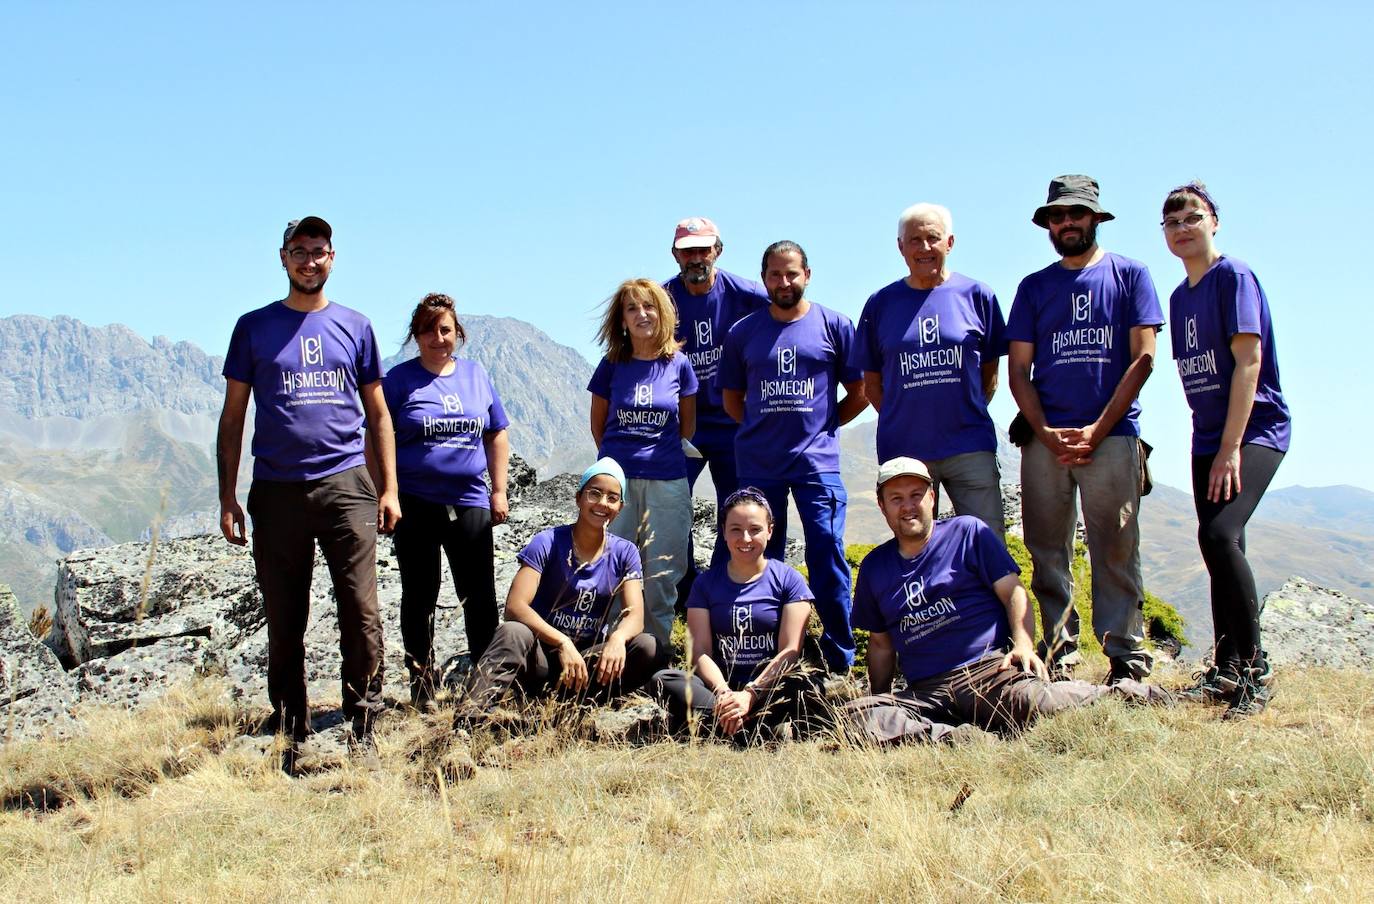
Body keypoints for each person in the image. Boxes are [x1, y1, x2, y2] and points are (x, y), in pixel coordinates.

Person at [217, 216, 400, 753]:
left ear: (332, 257)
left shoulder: (356, 326)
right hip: (278, 491)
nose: (309, 260)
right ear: (283, 258)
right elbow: (233, 418)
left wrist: (388, 489)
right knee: (284, 614)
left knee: (360, 610)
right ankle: (290, 727)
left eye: (318, 251)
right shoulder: (253, 328)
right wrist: (228, 497)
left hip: (346, 485)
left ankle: (363, 720)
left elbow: (379, 415)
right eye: (299, 251)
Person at [843, 458, 1170, 745]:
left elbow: (1013, 591)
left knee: (1045, 703)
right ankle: (961, 739)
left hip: (986, 672)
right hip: (927, 690)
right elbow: (881, 644)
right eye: (896, 499)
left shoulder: (967, 533)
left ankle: (1137, 696)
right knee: (857, 716)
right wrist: (880, 696)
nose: (908, 506)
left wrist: (1024, 646)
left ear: (932, 497)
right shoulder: (875, 566)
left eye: (916, 495)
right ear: (882, 505)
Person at [1006, 175, 1164, 682]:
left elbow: (1143, 359)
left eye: (1076, 213)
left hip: (1113, 437)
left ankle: (1127, 658)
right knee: (1045, 547)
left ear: (1095, 217)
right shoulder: (1034, 288)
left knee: (1115, 545)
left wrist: (1097, 429)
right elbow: (1017, 372)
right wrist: (1046, 431)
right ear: (1047, 224)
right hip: (1045, 441)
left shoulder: (1131, 275)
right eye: (1057, 216)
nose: (1067, 222)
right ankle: (1060, 652)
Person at [1162, 181, 1291, 719]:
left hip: (1254, 431)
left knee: (1218, 534)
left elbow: (1249, 362)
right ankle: (1226, 667)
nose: (1181, 228)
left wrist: (1232, 447)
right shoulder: (1179, 297)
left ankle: (1255, 672)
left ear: (1214, 220)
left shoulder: (1232, 277)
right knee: (1219, 543)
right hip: (1207, 436)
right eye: (1171, 222)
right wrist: (1212, 444)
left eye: (1192, 217)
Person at [719, 240, 867, 673]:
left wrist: (826, 425)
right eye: (774, 275)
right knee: (762, 556)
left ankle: (839, 655)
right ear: (763, 279)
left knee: (826, 550)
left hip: (816, 464)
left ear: (808, 274)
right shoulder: (743, 333)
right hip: (758, 463)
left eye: (791, 274)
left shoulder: (835, 325)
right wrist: (759, 429)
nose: (784, 282)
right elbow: (732, 400)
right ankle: (769, 655)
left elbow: (858, 391)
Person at [454, 459, 665, 724]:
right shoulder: (548, 542)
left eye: (612, 498)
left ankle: (578, 708)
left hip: (586, 665)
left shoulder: (625, 552)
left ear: (620, 508)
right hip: (542, 658)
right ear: (578, 498)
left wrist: (617, 639)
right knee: (513, 631)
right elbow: (515, 607)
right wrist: (562, 642)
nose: (602, 503)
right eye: (594, 493)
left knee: (648, 646)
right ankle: (467, 724)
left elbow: (635, 615)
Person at [378, 293, 510, 712]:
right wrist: (388, 491)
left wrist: (499, 489)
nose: (438, 338)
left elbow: (496, 432)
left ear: (458, 334)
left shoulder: (476, 375)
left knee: (480, 596)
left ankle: (485, 686)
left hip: (470, 501)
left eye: (446, 329)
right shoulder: (398, 381)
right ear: (416, 336)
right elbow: (375, 437)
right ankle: (422, 686)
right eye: (428, 330)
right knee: (420, 595)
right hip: (416, 503)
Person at [852, 203, 1008, 540]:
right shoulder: (880, 304)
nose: (924, 248)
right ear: (900, 247)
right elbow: (872, 384)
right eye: (915, 240)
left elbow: (991, 371)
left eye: (933, 238)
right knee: (915, 545)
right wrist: (904, 416)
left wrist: (965, 409)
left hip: (970, 445)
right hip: (905, 450)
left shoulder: (978, 295)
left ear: (949, 243)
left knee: (988, 541)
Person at [650, 488, 828, 742]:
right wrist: (724, 693)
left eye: (755, 529)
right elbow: (699, 651)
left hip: (770, 688)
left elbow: (790, 651)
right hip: (719, 690)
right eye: (735, 529)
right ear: (723, 532)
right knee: (663, 679)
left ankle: (725, 726)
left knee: (808, 686)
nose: (745, 538)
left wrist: (751, 694)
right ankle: (752, 727)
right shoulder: (705, 584)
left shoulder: (789, 580)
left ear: (770, 530)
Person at [588, 279, 698, 646]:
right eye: (632, 308)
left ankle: (654, 652)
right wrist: (618, 465)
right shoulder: (611, 365)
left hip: (667, 480)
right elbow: (599, 424)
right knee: (613, 567)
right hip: (618, 484)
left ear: (662, 312)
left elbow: (688, 423)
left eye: (649, 306)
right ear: (622, 318)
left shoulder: (679, 365)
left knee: (662, 571)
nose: (641, 314)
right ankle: (613, 651)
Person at [663, 217, 770, 570]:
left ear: (718, 251)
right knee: (673, 502)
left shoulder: (749, 296)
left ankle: (726, 579)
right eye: (687, 250)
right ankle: (684, 582)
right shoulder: (660, 302)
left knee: (737, 504)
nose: (696, 258)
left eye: (703, 249)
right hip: (682, 425)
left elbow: (789, 321)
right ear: (675, 255)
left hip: (733, 421)